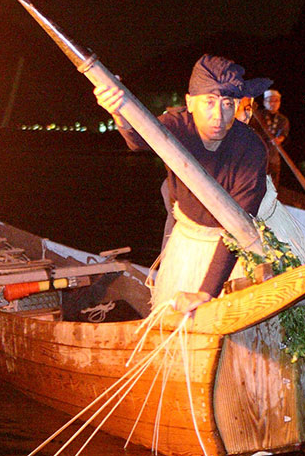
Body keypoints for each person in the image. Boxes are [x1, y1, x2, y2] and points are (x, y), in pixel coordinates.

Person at [96, 54, 270, 313]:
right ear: (189, 102)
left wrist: (205, 292)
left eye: (227, 103)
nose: (218, 116)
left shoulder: (252, 149)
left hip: (233, 247)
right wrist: (119, 112)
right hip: (188, 239)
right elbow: (139, 140)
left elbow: (236, 229)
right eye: (209, 102)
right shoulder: (176, 126)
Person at [253, 89, 290, 187]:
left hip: (273, 155)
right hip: (257, 154)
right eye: (270, 101)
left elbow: (284, 134)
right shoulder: (257, 115)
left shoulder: (283, 120)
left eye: (276, 101)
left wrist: (280, 139)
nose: (273, 104)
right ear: (264, 102)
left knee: (273, 182)